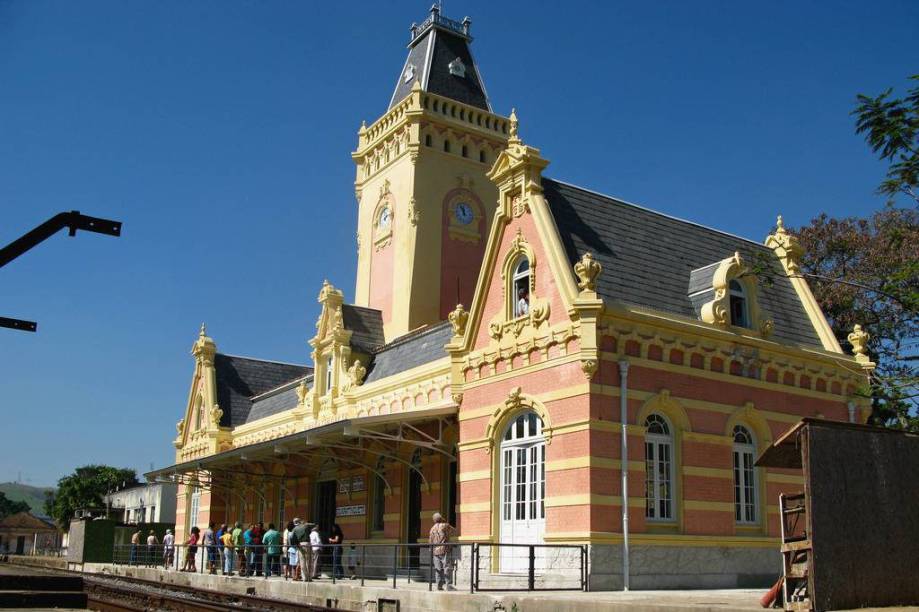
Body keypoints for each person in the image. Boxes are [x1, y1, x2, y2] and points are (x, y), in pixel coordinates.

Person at [429, 512, 455, 590]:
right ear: (440, 518)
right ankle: (448, 585)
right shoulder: (444, 525)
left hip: (435, 551)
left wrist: (431, 550)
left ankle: (439, 585)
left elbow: (430, 541)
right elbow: (453, 530)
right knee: (447, 567)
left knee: (438, 568)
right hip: (444, 549)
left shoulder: (432, 529)